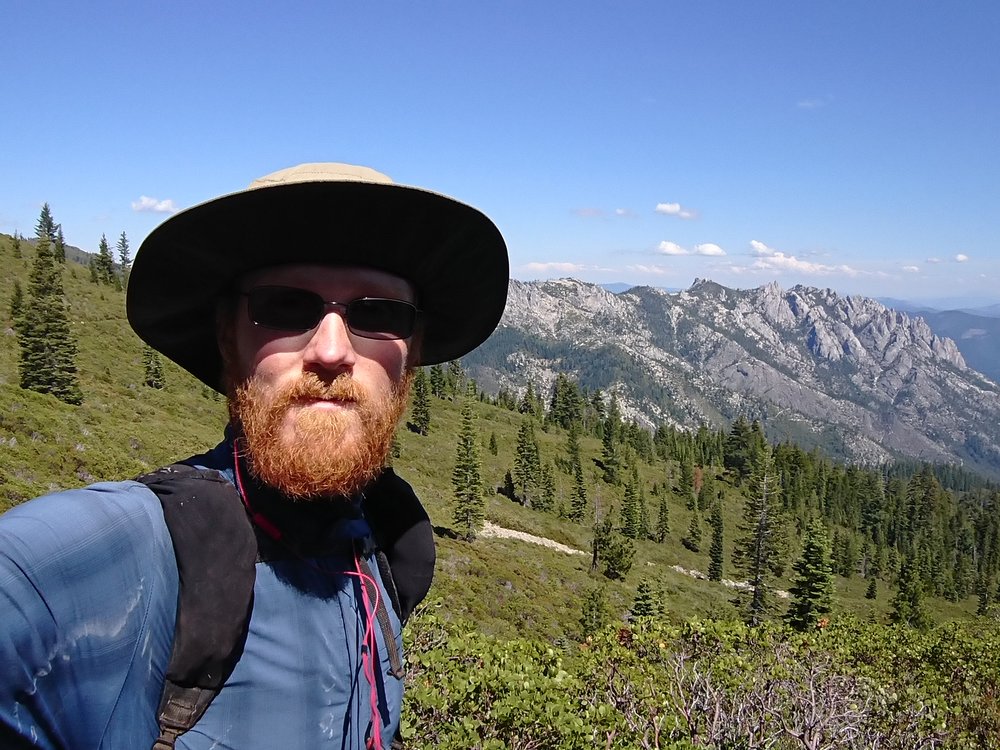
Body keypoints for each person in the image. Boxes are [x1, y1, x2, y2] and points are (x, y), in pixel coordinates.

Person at [0, 163, 509, 749]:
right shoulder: (139, 552)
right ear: (227, 338)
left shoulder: (387, 548)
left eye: (379, 312)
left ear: (409, 354)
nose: (332, 350)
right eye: (285, 306)